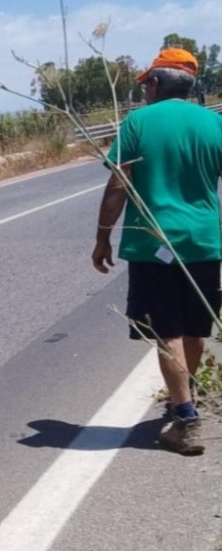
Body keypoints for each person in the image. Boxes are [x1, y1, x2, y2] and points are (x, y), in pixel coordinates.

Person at [92, 47, 222, 456]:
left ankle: (184, 418)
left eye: (146, 83)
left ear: (155, 83)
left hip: (154, 246)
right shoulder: (213, 124)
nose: (144, 90)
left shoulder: (137, 122)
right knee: (196, 328)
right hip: (204, 242)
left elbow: (118, 186)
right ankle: (184, 399)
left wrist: (102, 237)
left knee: (168, 332)